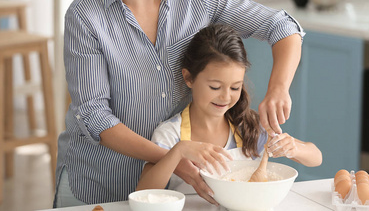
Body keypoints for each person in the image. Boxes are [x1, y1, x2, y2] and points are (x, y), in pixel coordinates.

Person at [54, 0, 304, 207]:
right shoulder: (86, 16)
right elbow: (95, 116)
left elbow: (282, 27)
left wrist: (278, 88)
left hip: (172, 194)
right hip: (101, 181)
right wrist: (172, 156)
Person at [135, 24, 322, 194]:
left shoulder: (247, 126)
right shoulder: (170, 135)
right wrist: (178, 152)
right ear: (189, 78)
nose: (226, 97)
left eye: (235, 88)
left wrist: (293, 148)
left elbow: (316, 157)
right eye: (215, 87)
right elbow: (143, 192)